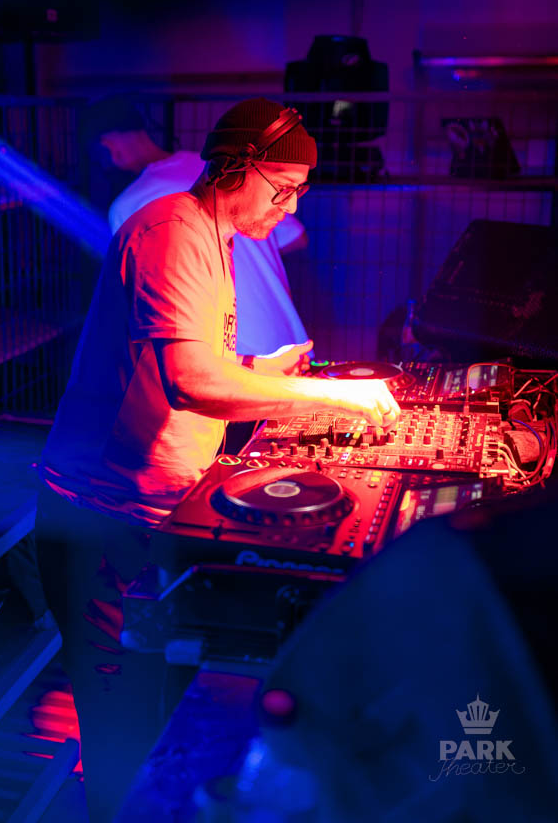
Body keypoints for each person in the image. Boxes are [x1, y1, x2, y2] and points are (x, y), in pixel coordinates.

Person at [36, 97, 400, 821]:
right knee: (120, 726)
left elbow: (192, 359)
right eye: (283, 187)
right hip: (101, 520)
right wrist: (337, 399)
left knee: (156, 715)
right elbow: (191, 383)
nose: (291, 205)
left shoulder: (211, 235)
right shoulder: (171, 231)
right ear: (237, 167)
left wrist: (261, 370)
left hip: (147, 511)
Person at [105, 124, 310, 357]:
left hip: (272, 353)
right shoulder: (159, 212)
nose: (291, 207)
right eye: (284, 189)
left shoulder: (137, 204)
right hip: (246, 351)